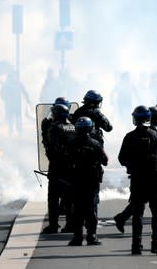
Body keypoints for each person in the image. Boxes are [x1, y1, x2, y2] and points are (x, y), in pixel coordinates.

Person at [114, 106, 157, 235]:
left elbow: (122, 158)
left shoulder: (144, 133)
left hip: (140, 175)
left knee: (139, 203)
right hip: (154, 174)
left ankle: (132, 234)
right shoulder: (154, 133)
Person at [118, 106, 157, 255]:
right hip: (155, 180)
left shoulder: (129, 136)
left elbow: (121, 159)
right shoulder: (156, 136)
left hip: (138, 180)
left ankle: (136, 245)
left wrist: (132, 166)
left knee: (138, 213)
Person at [68, 117, 108, 246]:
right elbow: (105, 160)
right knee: (91, 209)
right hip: (91, 182)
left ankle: (77, 237)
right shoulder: (95, 144)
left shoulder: (71, 142)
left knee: (77, 209)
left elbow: (65, 160)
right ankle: (91, 236)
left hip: (76, 181)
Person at [41, 104, 75, 234]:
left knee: (54, 198)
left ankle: (53, 225)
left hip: (57, 167)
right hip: (72, 167)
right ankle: (70, 224)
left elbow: (53, 148)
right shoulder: (73, 126)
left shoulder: (54, 128)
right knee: (70, 197)